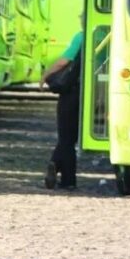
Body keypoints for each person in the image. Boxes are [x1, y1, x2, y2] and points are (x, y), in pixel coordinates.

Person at [40, 29, 83, 190]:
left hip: (72, 93)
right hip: (94, 94)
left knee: (66, 137)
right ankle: (56, 165)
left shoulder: (81, 36)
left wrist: (46, 75)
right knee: (71, 138)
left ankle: (67, 179)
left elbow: (64, 61)